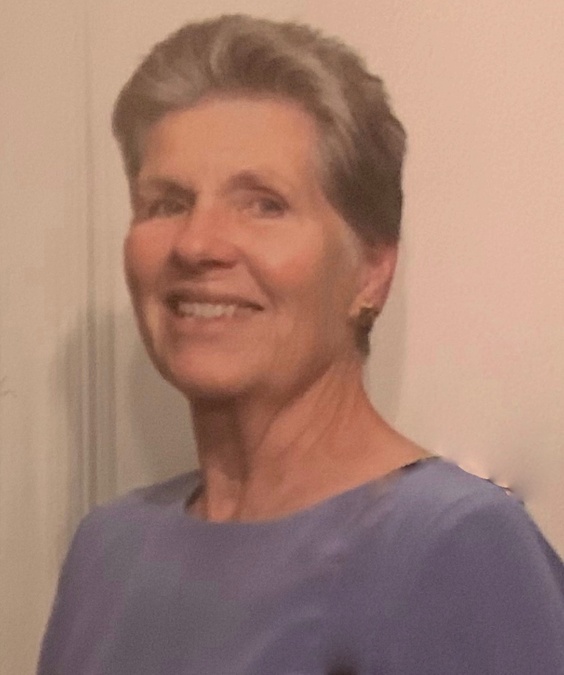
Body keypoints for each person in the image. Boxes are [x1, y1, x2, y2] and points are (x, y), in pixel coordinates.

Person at [37, 14, 564, 674]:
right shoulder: (107, 548)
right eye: (168, 202)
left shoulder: (454, 548)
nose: (197, 244)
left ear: (370, 271)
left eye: (264, 204)